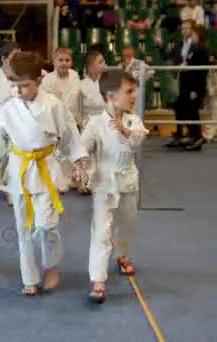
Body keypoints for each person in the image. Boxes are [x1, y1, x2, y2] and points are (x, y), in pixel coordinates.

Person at [0, 52, 89, 296]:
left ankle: (50, 265)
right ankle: (29, 277)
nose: (18, 91)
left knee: (45, 225)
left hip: (46, 166)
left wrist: (80, 164)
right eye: (14, 86)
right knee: (23, 228)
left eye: (24, 85)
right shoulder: (8, 108)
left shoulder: (53, 105)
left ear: (38, 81)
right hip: (20, 170)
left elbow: (70, 135)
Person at [80, 70, 148, 304]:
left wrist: (126, 130)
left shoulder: (133, 120)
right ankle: (98, 280)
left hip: (127, 182)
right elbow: (82, 149)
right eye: (129, 91)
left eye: (134, 90)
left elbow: (139, 137)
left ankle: (121, 254)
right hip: (104, 183)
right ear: (110, 96)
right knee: (101, 231)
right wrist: (81, 167)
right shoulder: (96, 123)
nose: (134, 95)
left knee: (127, 225)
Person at [159, 22, 209, 151]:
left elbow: (201, 70)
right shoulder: (183, 45)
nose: (186, 31)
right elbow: (171, 57)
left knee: (192, 110)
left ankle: (197, 136)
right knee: (180, 106)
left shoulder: (200, 48)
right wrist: (160, 46)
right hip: (185, 82)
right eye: (183, 28)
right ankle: (185, 134)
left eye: (189, 29)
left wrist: (197, 89)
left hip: (195, 85)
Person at [42, 47, 81, 193]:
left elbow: (77, 99)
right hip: (54, 119)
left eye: (67, 60)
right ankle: (56, 181)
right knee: (56, 151)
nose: (64, 63)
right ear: (54, 62)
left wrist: (78, 118)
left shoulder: (75, 76)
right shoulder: (47, 79)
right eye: (60, 60)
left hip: (71, 118)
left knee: (70, 147)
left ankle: (71, 178)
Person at [79, 48, 107, 130]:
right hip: (87, 127)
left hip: (105, 126)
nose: (104, 64)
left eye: (104, 61)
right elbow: (78, 112)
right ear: (90, 66)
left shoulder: (107, 83)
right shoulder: (81, 85)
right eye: (100, 62)